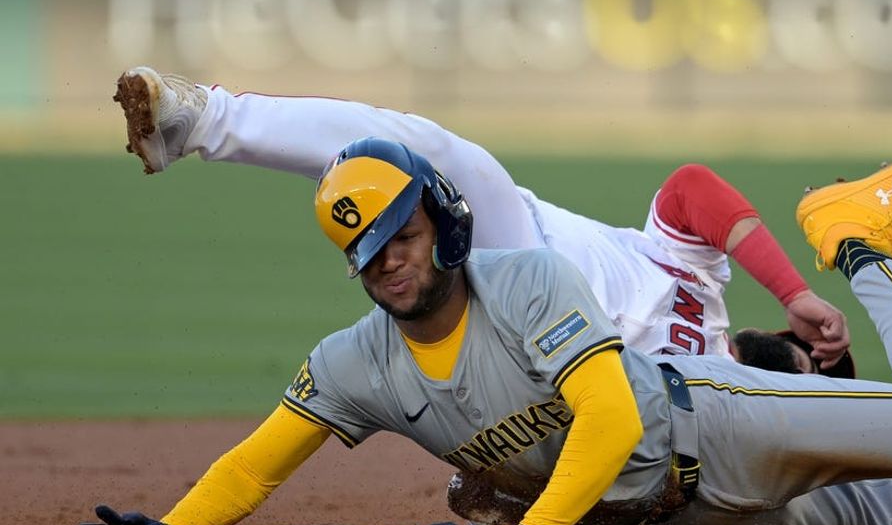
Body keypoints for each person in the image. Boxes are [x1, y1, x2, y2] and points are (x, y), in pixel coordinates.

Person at [73, 141, 892, 525]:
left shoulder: (526, 282)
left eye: (397, 236)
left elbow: (616, 419)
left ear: (439, 225)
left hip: (714, 418)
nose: (384, 264)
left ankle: (858, 233)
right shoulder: (359, 361)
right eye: (363, 253)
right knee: (873, 519)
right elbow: (260, 461)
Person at [113, 66, 851, 368]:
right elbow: (694, 188)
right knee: (435, 154)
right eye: (809, 357)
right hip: (520, 252)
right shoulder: (697, 276)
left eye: (816, 371)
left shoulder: (736, 416)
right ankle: (198, 119)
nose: (803, 361)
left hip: (545, 369)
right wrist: (796, 293)